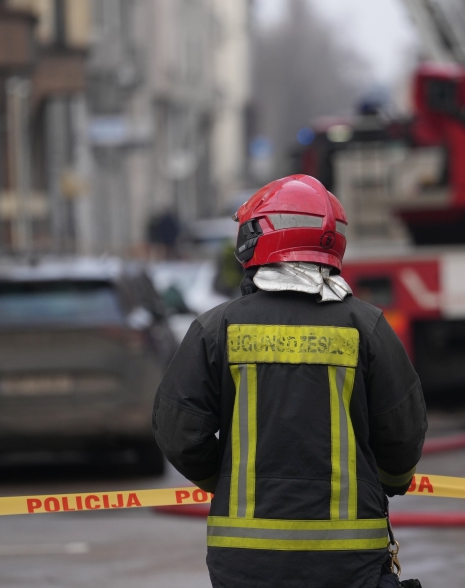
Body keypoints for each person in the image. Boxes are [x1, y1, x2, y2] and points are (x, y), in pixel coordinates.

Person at [153, 175, 428, 588]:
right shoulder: (367, 327)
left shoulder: (216, 329)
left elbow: (178, 431)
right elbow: (403, 433)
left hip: (246, 558)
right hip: (349, 558)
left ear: (253, 239)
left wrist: (224, 481)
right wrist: (387, 483)